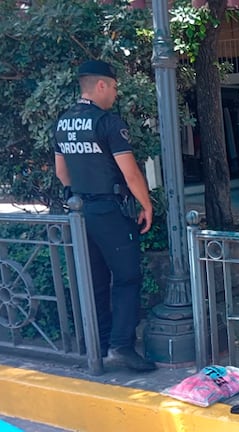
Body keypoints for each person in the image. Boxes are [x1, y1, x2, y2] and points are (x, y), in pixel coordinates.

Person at [54, 60, 155, 371]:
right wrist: (147, 205)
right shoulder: (107, 122)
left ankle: (96, 345)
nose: (115, 92)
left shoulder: (62, 122)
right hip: (109, 210)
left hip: (78, 211)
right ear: (100, 85)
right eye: (113, 86)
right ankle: (122, 346)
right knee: (127, 277)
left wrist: (82, 191)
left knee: (95, 280)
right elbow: (131, 173)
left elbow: (62, 173)